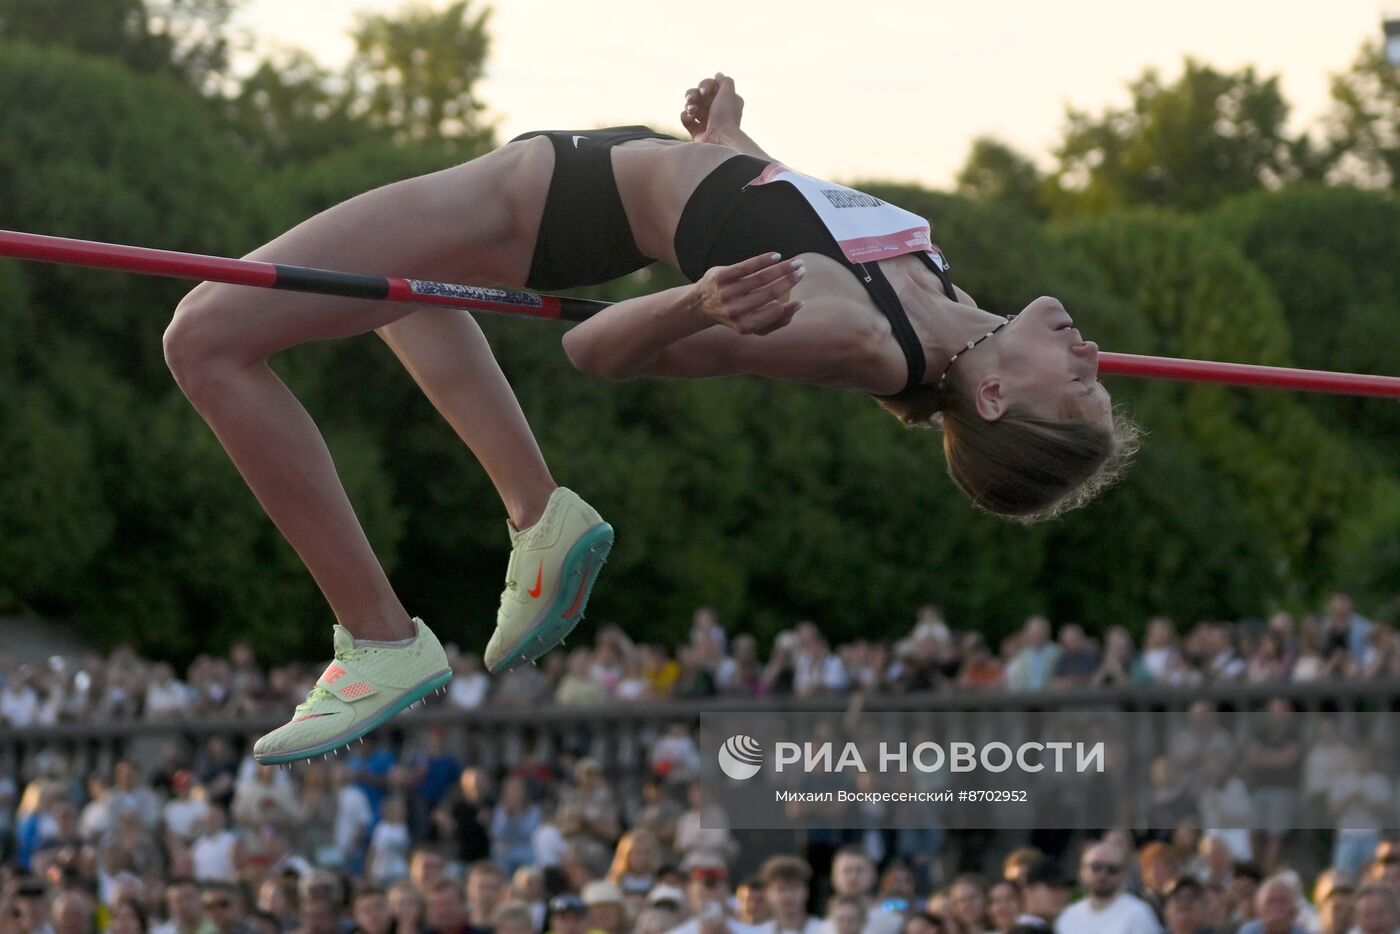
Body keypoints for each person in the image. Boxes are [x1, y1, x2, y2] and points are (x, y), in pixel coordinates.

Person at [165, 71, 1137, 763]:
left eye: (1080, 386)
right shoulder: (937, 289)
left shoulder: (857, 335)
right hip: (566, 180)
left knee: (204, 338)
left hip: (543, 204)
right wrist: (726, 137)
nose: (1091, 358)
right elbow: (790, 209)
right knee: (411, 291)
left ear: (998, 397)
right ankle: (536, 515)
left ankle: (377, 636)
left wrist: (692, 305)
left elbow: (593, 352)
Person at [1053, 841, 1161, 934]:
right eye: (1096, 867)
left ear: (1124, 875)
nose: (1103, 875)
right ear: (1082, 871)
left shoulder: (1139, 913)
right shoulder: (1068, 915)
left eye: (1112, 869)